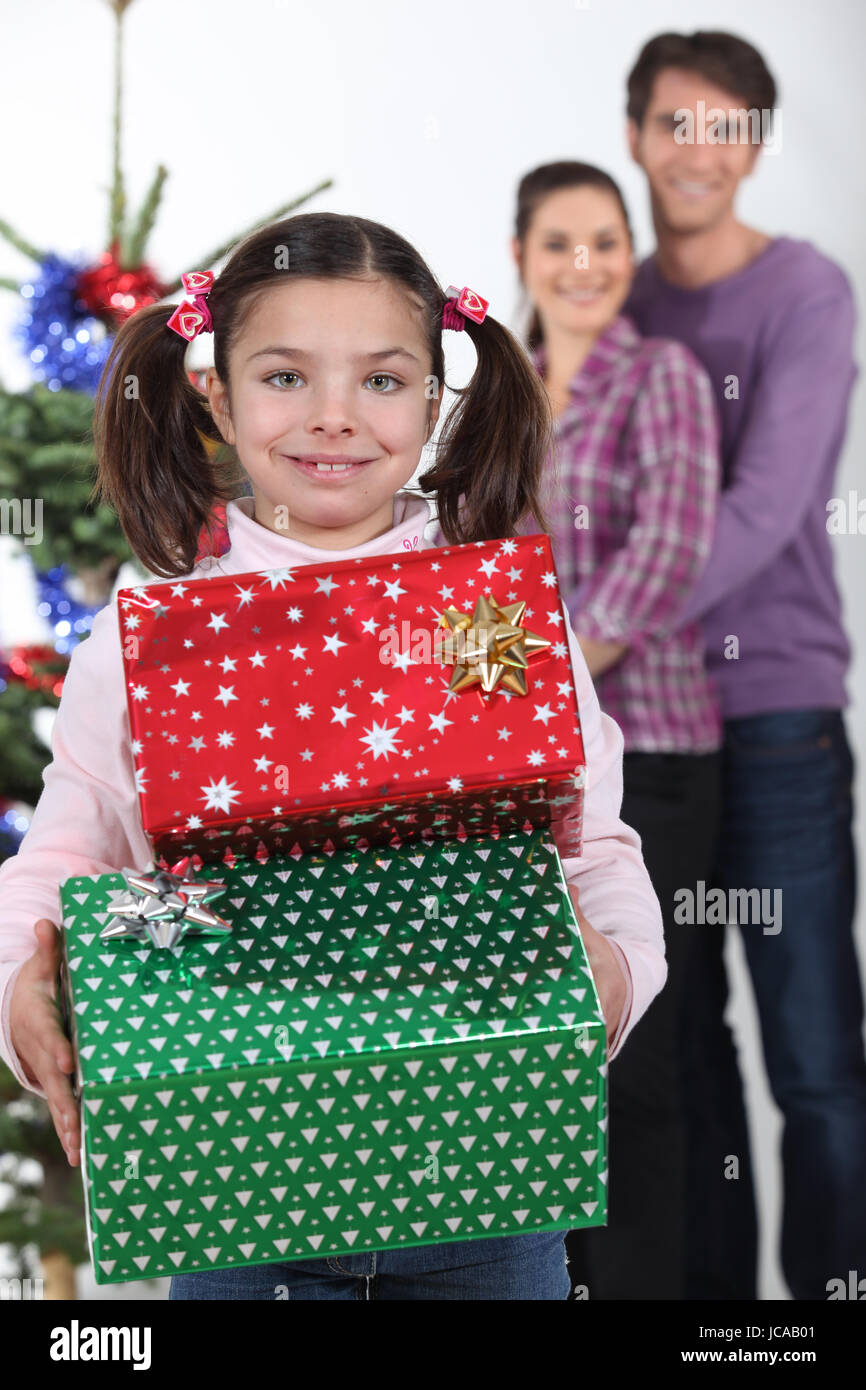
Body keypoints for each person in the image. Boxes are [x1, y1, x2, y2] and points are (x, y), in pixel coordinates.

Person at [0, 211, 666, 1301]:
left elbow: (594, 847)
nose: (334, 419)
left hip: (485, 1188)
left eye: (383, 382)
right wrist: (20, 989)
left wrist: (618, 974)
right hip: (237, 1188)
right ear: (216, 393)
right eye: (283, 376)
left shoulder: (488, 608)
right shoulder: (160, 614)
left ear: (436, 398)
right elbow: (68, 846)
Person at [623, 29, 866, 1300]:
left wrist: (600, 617)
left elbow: (768, 502)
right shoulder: (611, 297)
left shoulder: (805, 292)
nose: (697, 153)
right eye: (675, 123)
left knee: (814, 1059)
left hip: (770, 715)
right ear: (634, 135)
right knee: (686, 1057)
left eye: (724, 129)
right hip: (648, 738)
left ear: (755, 146)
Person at [510, 161, 722, 1299]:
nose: (581, 265)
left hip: (657, 753)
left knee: (633, 1054)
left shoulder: (664, 375)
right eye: (557, 243)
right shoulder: (498, 390)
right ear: (521, 257)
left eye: (603, 241)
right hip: (526, 774)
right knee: (542, 1050)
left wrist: (549, 679)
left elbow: (668, 552)